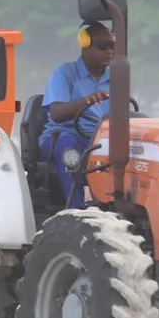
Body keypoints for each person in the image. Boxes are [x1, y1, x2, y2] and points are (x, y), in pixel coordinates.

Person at [38, 21, 114, 208]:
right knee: (67, 145)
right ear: (85, 45)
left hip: (99, 141)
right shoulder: (65, 73)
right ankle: (76, 210)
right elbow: (57, 114)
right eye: (103, 47)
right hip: (63, 138)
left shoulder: (116, 77)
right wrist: (87, 100)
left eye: (112, 46)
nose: (109, 52)